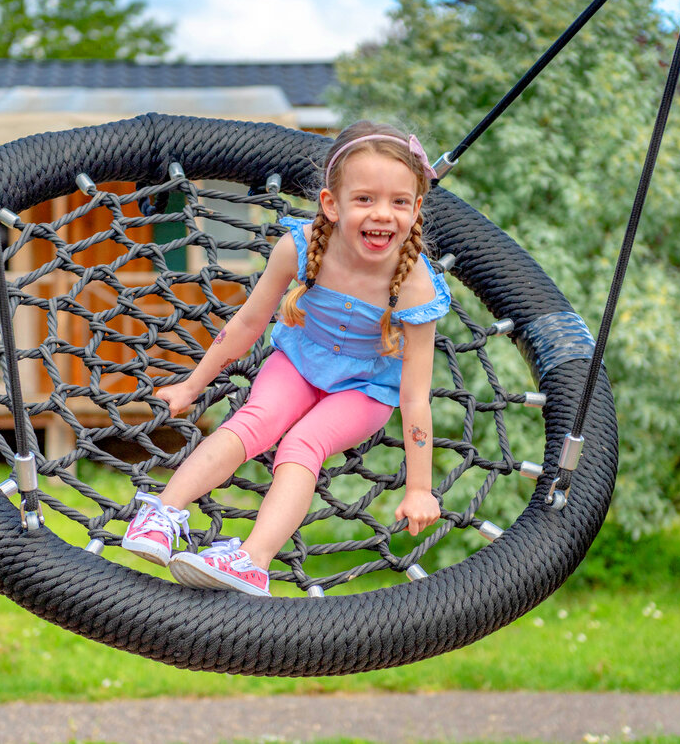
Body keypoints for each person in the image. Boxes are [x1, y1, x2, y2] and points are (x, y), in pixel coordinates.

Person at [122, 120, 451, 596]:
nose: (383, 214)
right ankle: (163, 513)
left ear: (416, 208)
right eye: (365, 199)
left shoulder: (416, 285)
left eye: (399, 202)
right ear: (331, 204)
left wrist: (420, 487)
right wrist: (192, 387)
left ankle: (253, 561)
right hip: (300, 360)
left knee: (302, 444)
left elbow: (416, 396)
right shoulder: (299, 247)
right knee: (256, 419)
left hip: (364, 390)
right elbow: (247, 325)